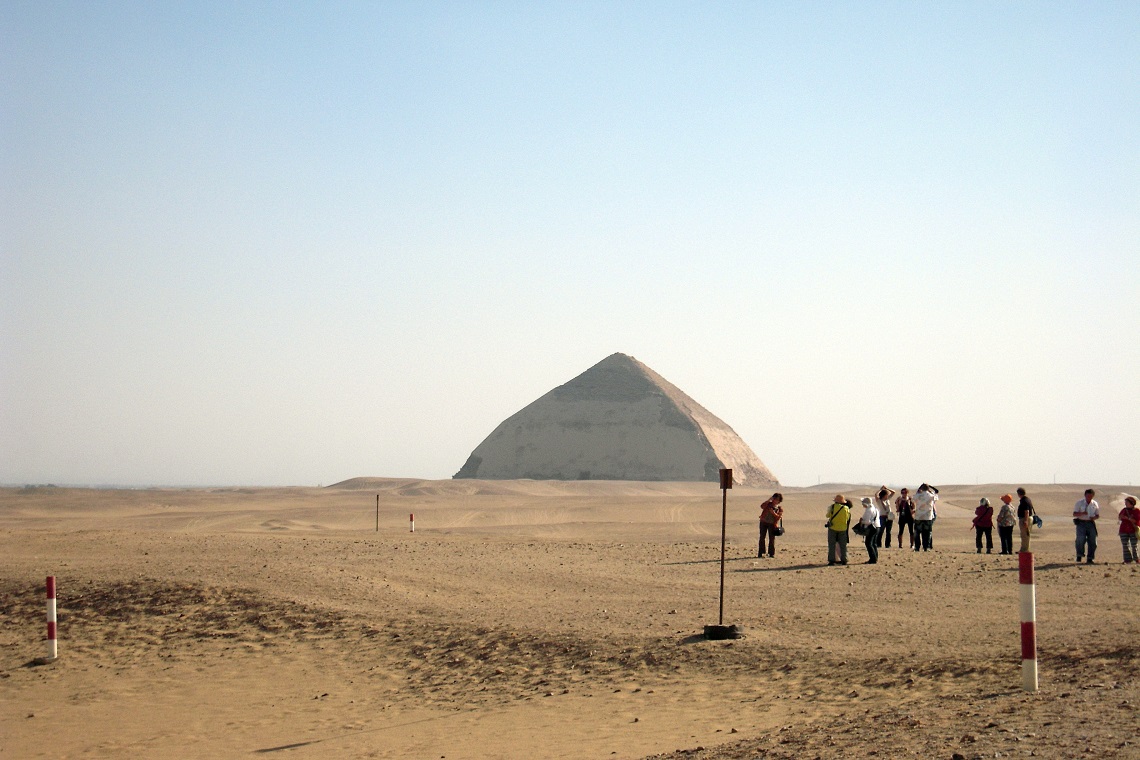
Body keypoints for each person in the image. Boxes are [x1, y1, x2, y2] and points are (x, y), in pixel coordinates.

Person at [1073, 488, 1100, 564]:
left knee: (1093, 541)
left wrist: (1094, 518)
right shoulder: (1079, 503)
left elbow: (1097, 515)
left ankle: (1090, 558)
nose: (1089, 498)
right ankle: (1079, 555)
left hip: (1091, 523)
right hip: (1081, 523)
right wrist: (1082, 513)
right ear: (1085, 495)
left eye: (1091, 496)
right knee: (1080, 539)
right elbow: (1074, 513)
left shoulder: (1095, 504)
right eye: (1088, 496)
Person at [825, 494, 852, 566]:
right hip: (843, 528)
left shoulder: (832, 507)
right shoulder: (846, 508)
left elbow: (827, 515)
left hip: (833, 528)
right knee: (843, 545)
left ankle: (831, 560)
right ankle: (844, 560)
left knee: (832, 545)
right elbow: (847, 518)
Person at [913, 484, 938, 551]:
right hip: (928, 516)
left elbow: (913, 499)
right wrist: (930, 489)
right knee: (927, 533)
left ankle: (917, 547)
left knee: (917, 532)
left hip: (918, 516)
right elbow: (936, 493)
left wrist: (918, 490)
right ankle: (926, 547)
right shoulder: (931, 495)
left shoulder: (918, 495)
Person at [758, 492, 784, 558]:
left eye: (777, 500)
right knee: (762, 537)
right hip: (764, 522)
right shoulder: (768, 505)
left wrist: (773, 513)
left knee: (772, 539)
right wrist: (768, 500)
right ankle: (761, 552)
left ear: (779, 501)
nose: (775, 501)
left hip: (772, 524)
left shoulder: (779, 509)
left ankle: (771, 553)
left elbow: (778, 517)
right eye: (774, 499)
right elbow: (762, 506)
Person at [858, 496, 880, 564]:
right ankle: (875, 557)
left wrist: (861, 521)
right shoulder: (875, 509)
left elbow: (868, 521)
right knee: (874, 543)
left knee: (868, 543)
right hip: (877, 526)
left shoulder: (869, 510)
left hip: (871, 528)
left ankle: (873, 559)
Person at [1119, 495, 1139, 564]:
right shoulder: (1124, 510)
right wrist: (1122, 517)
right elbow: (1120, 517)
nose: (1125, 503)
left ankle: (1136, 558)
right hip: (1123, 529)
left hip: (1133, 530)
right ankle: (1127, 559)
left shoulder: (1137, 511)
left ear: (1131, 503)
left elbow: (1136, 520)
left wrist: (1128, 518)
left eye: (1127, 502)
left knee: (1134, 545)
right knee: (1125, 545)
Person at [1017, 487, 1036, 553]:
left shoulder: (1024, 501)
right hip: (1027, 518)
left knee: (1025, 535)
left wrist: (1025, 521)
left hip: (1025, 518)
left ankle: (1024, 550)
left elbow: (1027, 511)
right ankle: (1024, 549)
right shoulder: (1027, 499)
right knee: (1025, 535)